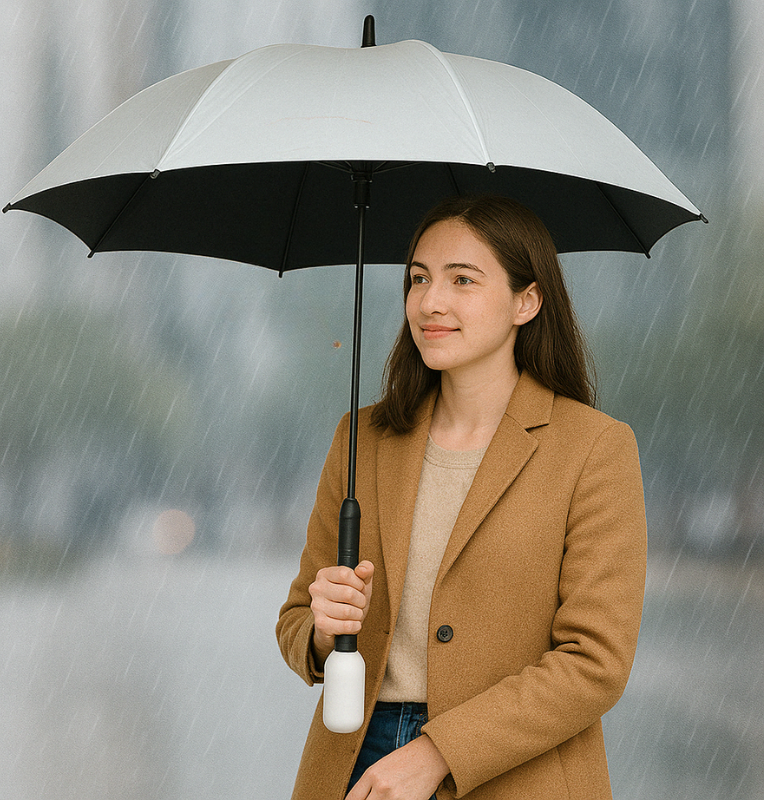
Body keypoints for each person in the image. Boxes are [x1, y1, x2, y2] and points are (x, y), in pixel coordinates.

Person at [276, 195, 647, 800]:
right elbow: (295, 626)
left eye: (462, 280)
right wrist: (323, 629)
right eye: (419, 279)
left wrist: (436, 753)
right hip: (354, 764)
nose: (430, 302)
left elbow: (594, 662)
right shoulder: (361, 440)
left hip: (516, 773)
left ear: (526, 302)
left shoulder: (593, 449)